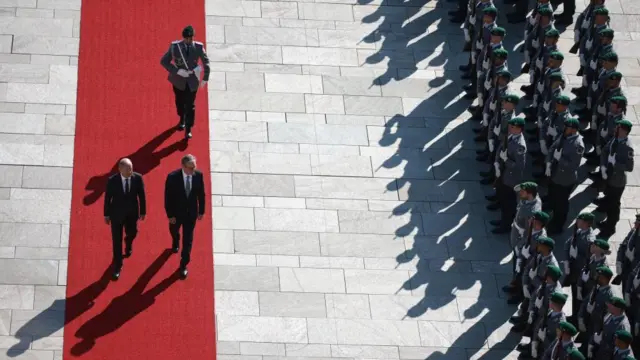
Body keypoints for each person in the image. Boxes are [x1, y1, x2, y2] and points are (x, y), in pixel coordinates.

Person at [160, 25, 211, 140]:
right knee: (179, 102)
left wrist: (205, 78)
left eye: (191, 38)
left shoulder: (198, 47)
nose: (189, 41)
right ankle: (181, 118)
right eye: (187, 38)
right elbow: (164, 61)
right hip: (179, 80)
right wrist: (177, 70)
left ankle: (188, 128)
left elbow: (206, 63)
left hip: (192, 80)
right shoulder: (175, 47)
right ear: (183, 38)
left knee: (191, 106)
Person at [164, 154, 206, 279]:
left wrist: (201, 211)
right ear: (183, 166)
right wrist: (170, 215)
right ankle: (175, 241)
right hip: (176, 214)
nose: (193, 170)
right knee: (173, 230)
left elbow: (201, 195)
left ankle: (183, 265)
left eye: (194, 167)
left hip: (191, 214)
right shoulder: (172, 178)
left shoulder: (198, 176)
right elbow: (167, 198)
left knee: (188, 240)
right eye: (190, 168)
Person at [103, 158, 146, 280]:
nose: (130, 170)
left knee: (132, 233)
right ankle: (117, 265)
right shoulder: (112, 181)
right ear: (120, 169)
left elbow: (141, 196)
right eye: (128, 168)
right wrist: (106, 215)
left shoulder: (138, 178)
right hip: (116, 215)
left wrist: (143, 211)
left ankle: (128, 243)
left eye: (131, 168)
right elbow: (107, 198)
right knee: (116, 240)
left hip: (132, 214)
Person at [540, 118, 584, 234]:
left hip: (565, 179)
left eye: (568, 128)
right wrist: (549, 162)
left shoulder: (578, 144)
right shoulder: (564, 136)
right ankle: (552, 210)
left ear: (574, 130)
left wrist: (561, 159)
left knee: (562, 204)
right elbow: (553, 148)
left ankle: (558, 225)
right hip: (555, 174)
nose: (565, 129)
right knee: (554, 196)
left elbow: (574, 165)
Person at [595, 119, 635, 238]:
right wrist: (603, 166)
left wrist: (615, 163)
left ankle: (610, 227)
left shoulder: (628, 147)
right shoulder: (616, 138)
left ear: (624, 131)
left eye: (618, 128)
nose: (615, 129)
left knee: (614, 206)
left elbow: (630, 167)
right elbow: (605, 151)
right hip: (609, 175)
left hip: (618, 181)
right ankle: (605, 210)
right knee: (608, 197)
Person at [563, 212, 596, 322]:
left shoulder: (589, 240)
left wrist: (577, 256)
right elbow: (568, 243)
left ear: (587, 223)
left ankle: (580, 319)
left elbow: (590, 260)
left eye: (580, 221)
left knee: (581, 296)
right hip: (575, 270)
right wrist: (567, 259)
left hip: (582, 273)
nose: (577, 222)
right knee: (575, 294)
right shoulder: (579, 231)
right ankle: (575, 315)